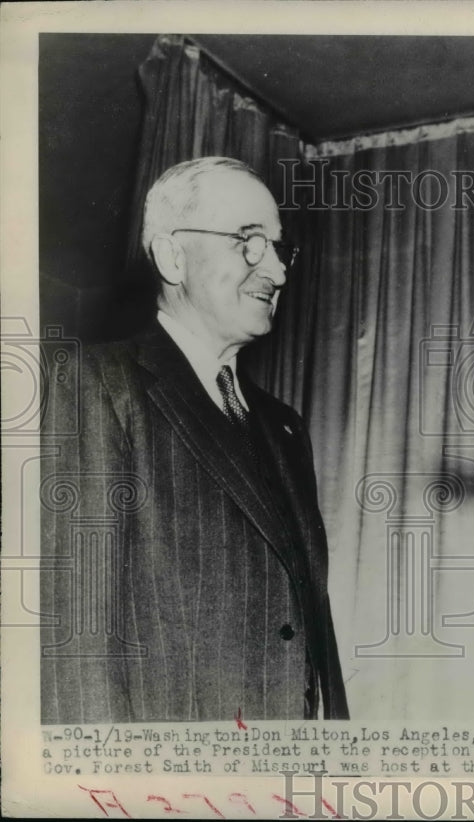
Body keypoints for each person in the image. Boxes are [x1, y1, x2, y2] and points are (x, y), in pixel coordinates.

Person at [40, 157, 349, 722]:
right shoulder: (97, 386)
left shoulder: (283, 425)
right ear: (171, 255)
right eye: (249, 243)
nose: (277, 272)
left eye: (280, 251)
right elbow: (78, 641)